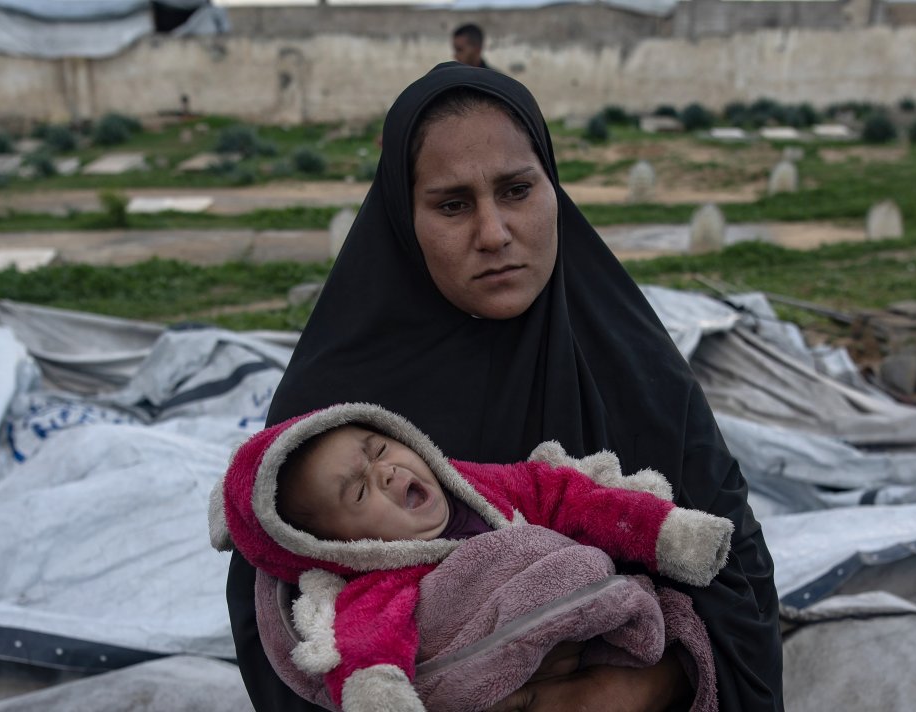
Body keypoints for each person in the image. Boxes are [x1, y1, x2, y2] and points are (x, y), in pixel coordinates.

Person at [225, 62, 784, 712]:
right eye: (453, 205)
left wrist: (646, 684)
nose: (493, 234)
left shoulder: (637, 370)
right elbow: (277, 630)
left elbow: (737, 572)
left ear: (553, 188)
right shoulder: (331, 412)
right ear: (404, 219)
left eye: (517, 190)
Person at [209, 402, 732, 710]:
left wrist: (666, 533)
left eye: (379, 449)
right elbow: (366, 643)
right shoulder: (383, 579)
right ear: (339, 547)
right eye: (360, 492)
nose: (386, 472)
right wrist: (379, 692)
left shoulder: (485, 489)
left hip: (600, 644)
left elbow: (566, 497)